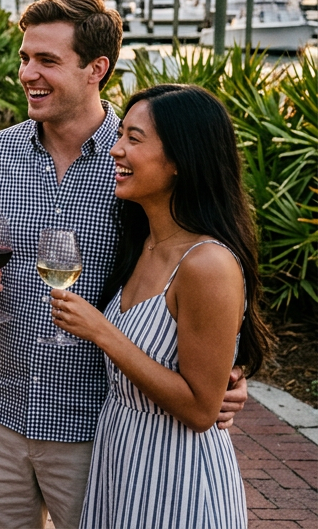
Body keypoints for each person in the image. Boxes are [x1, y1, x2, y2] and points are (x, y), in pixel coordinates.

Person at [0, 0, 248, 529]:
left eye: (46, 61)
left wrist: (234, 367)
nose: (27, 74)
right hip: (1, 406)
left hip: (96, 429)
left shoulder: (140, 161)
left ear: (97, 69)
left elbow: (208, 265)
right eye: (24, 58)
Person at [52, 84, 271, 528]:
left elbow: (200, 410)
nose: (115, 150)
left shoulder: (207, 263)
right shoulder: (143, 241)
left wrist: (101, 332)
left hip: (176, 477)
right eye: (120, 136)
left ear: (179, 160)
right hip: (122, 458)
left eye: (134, 139)